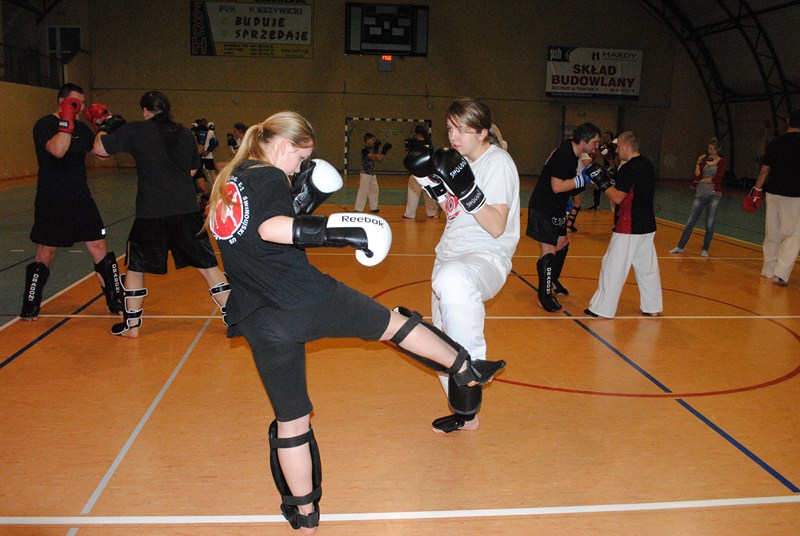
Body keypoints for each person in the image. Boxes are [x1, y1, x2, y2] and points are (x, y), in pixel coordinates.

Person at [204, 111, 505, 534]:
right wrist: (339, 231)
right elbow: (271, 228)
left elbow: (252, 236)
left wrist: (300, 207)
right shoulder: (269, 175)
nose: (297, 170)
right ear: (285, 146)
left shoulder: (231, 181)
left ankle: (306, 516)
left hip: (257, 316)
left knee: (292, 420)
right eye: (300, 159)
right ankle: (464, 367)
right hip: (307, 298)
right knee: (393, 325)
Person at [404, 97, 519, 433]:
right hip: (450, 255)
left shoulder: (498, 163)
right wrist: (432, 184)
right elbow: (454, 212)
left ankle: (473, 366)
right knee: (441, 344)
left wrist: (467, 189)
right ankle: (466, 414)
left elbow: (496, 225)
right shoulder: (459, 161)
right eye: (450, 128)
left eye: (461, 129)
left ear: (482, 132)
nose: (453, 136)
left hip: (486, 257)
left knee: (454, 280)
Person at [92, 91, 230, 337]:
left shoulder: (136, 129)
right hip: (185, 208)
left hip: (151, 211)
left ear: (146, 111)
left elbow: (99, 149)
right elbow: (192, 171)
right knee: (208, 266)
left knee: (135, 268)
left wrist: (103, 128)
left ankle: (132, 326)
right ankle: (235, 319)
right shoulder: (184, 133)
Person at [20, 82, 124, 320]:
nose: (82, 108)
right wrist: (66, 120)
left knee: (99, 246)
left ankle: (114, 299)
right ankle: (30, 304)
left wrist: (104, 129)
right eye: (76, 103)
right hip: (52, 198)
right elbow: (58, 150)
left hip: (80, 197)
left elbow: (102, 155)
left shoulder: (82, 129)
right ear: (62, 102)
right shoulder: (44, 125)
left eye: (83, 103)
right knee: (46, 251)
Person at [584, 131, 663, 318]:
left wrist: (602, 183)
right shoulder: (647, 164)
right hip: (647, 224)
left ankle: (602, 308)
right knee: (647, 267)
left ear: (627, 146)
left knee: (612, 266)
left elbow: (618, 197)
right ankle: (653, 307)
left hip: (629, 224)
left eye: (619, 146)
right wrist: (611, 178)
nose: (617, 150)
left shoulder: (630, 168)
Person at [526, 123, 601, 312]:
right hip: (544, 206)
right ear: (584, 140)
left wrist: (586, 181)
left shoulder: (573, 151)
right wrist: (581, 180)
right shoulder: (564, 154)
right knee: (549, 250)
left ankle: (551, 280)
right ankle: (544, 296)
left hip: (556, 207)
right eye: (594, 142)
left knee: (562, 243)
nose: (596, 146)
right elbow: (557, 186)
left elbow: (569, 183)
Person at [742, 109, 800, 286]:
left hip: (773, 193)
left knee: (772, 232)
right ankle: (781, 273)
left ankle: (768, 270)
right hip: (795, 195)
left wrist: (756, 190)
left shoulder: (775, 143)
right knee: (793, 235)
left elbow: (764, 170)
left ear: (788, 121)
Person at [669, 138, 728, 257]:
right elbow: (697, 175)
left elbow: (717, 179)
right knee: (690, 221)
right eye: (709, 148)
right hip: (700, 194)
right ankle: (680, 246)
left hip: (714, 195)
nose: (711, 151)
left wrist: (701, 181)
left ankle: (705, 249)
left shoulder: (722, 162)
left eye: (713, 149)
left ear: (718, 150)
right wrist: (698, 163)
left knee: (709, 223)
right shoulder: (705, 160)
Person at [403, 124, 439, 219]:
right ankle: (432, 212)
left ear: (417, 134)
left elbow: (408, 157)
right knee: (428, 193)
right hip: (427, 172)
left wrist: (407, 148)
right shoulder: (429, 144)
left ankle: (410, 214)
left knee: (413, 193)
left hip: (416, 172)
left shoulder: (414, 145)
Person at [354, 132, 390, 213]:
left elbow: (379, 158)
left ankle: (373, 208)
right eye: (372, 140)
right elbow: (372, 157)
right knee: (363, 191)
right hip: (365, 173)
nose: (374, 141)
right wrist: (376, 148)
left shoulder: (372, 149)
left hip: (372, 173)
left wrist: (384, 150)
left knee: (374, 190)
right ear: (367, 140)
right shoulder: (364, 150)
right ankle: (358, 209)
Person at [587, 131, 617, 210]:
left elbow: (613, 159)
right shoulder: (603, 147)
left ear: (609, 137)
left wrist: (613, 168)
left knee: (613, 188)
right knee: (597, 185)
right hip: (605, 167)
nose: (603, 139)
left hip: (613, 169)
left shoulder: (614, 146)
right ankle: (596, 204)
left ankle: (614, 206)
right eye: (603, 137)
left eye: (605, 137)